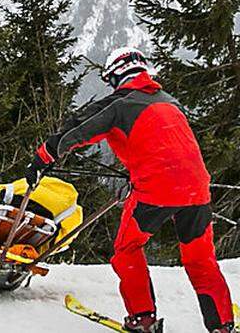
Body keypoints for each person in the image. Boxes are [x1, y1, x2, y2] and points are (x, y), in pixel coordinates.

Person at [26, 47, 233, 333]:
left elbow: (81, 130)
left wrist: (44, 155)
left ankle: (143, 319)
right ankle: (222, 326)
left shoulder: (119, 104)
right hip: (198, 189)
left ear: (116, 76)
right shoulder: (171, 101)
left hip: (156, 190)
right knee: (200, 259)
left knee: (126, 248)